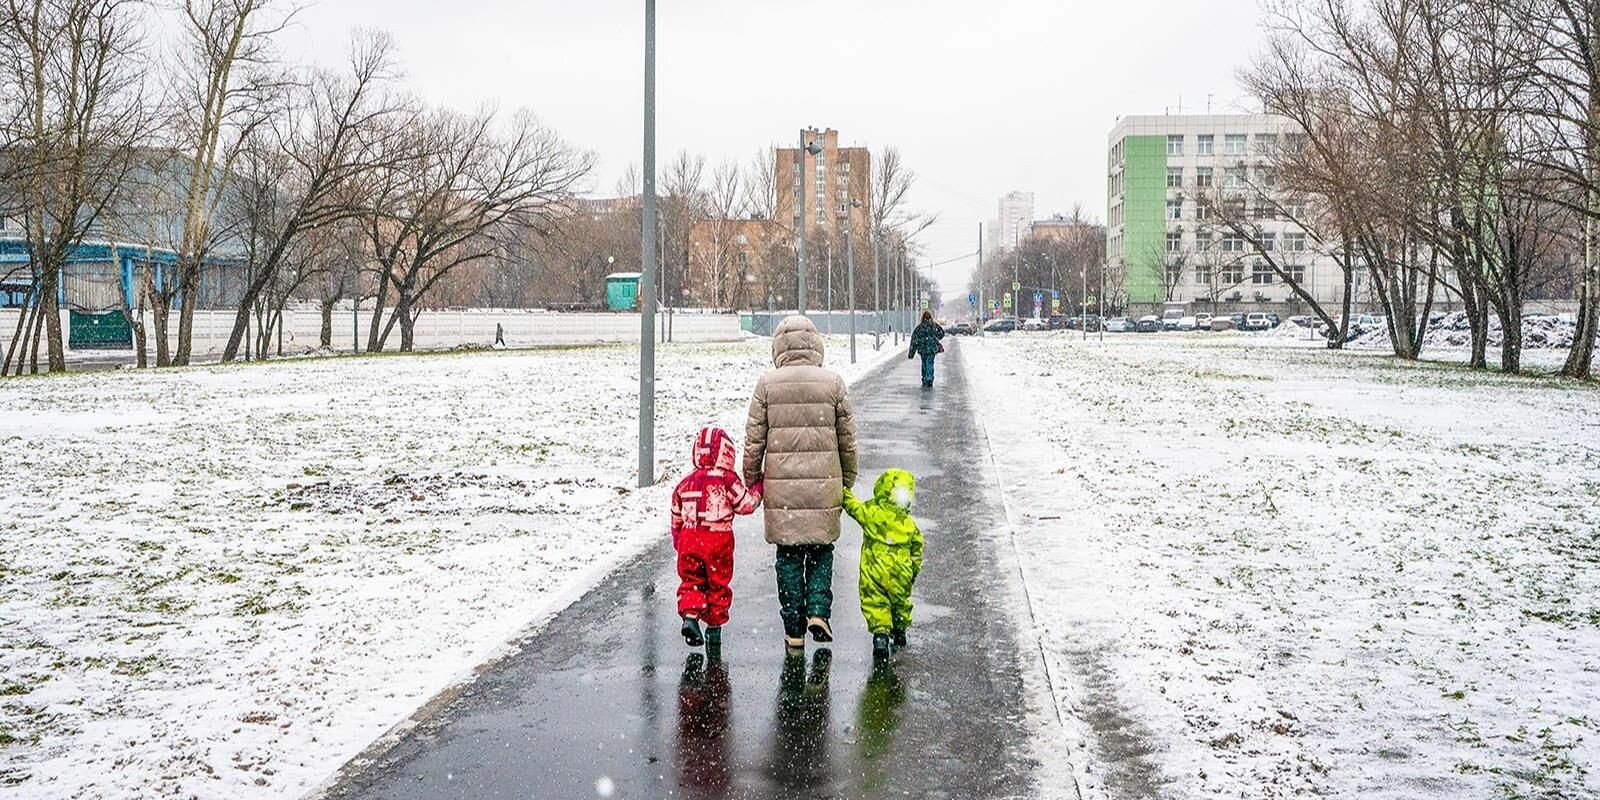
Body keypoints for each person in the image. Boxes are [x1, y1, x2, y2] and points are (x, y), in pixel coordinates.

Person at [743, 315, 858, 649]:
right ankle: (819, 611)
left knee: (789, 556)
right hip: (824, 486)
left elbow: (754, 440)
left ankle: (794, 627)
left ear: (778, 348)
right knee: (822, 551)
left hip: (783, 493)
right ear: (815, 346)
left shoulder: (767, 384)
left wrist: (752, 479)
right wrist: (846, 480)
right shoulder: (833, 383)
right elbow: (847, 439)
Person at [671, 426, 761, 648]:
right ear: (727, 453)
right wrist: (759, 487)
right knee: (717, 582)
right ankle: (714, 627)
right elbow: (746, 505)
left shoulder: (685, 483)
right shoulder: (727, 479)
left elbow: (676, 515)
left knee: (691, 580)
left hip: (689, 538)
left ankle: (690, 616)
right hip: (718, 540)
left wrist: (678, 539)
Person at [841, 469, 924, 660]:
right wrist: (913, 571)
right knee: (900, 602)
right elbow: (917, 549)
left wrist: (843, 490)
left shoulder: (872, 513)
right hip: (900, 572)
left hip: (874, 569)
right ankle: (900, 629)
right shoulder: (908, 524)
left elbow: (853, 506)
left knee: (875, 601)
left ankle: (880, 636)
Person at [908, 311, 946, 387]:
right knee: (930, 363)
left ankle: (925, 378)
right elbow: (942, 333)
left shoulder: (919, 328)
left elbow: (914, 341)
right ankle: (929, 378)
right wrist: (936, 338)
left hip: (923, 350)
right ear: (931, 317)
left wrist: (911, 353)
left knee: (924, 363)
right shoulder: (934, 326)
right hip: (932, 349)